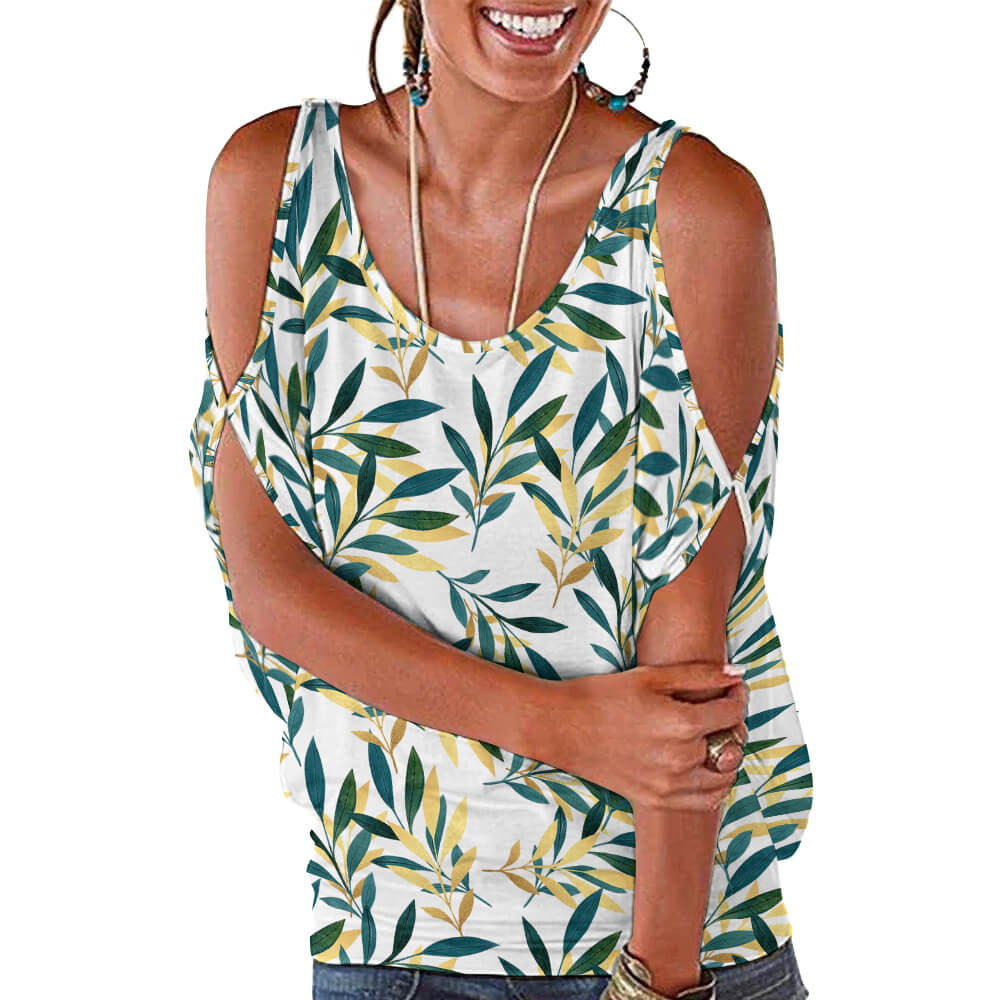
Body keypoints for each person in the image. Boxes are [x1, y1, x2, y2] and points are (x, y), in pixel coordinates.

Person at [187, 2, 813, 998]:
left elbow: (688, 666)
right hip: (385, 937)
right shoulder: (276, 187)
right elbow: (268, 583)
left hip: (669, 948)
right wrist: (563, 726)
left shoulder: (691, 209)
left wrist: (657, 977)